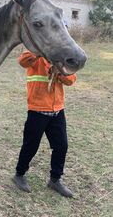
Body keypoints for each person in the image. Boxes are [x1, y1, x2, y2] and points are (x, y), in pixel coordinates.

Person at [12, 50, 76, 197]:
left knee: (61, 146)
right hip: (37, 110)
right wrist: (41, 52)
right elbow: (23, 61)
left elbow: (72, 79)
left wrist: (59, 72)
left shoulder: (62, 58)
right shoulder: (35, 54)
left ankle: (55, 180)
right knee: (31, 145)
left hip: (57, 111)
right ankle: (19, 174)